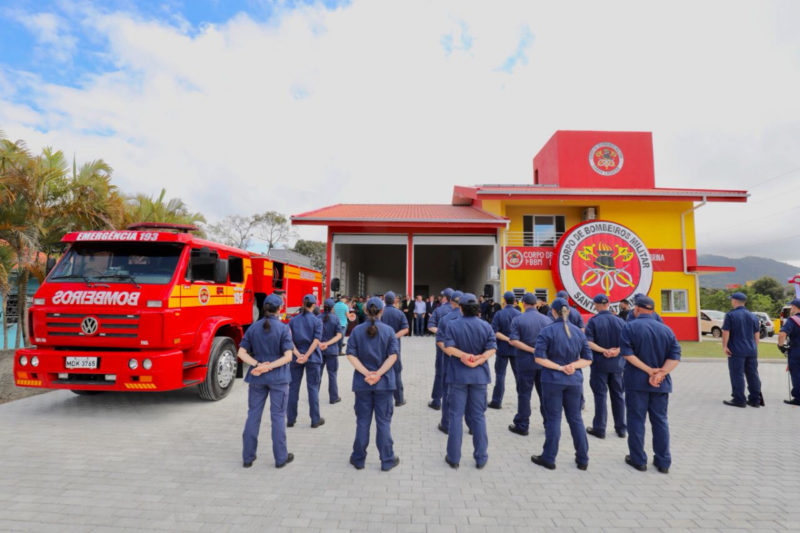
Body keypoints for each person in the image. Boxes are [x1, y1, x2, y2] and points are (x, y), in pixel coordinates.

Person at [620, 295, 680, 474]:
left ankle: (638, 460)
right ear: (652, 310)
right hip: (660, 384)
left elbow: (627, 354)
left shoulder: (630, 327)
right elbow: (675, 356)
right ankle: (663, 462)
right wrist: (661, 372)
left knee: (636, 420)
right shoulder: (666, 330)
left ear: (636, 309)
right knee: (660, 421)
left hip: (636, 382)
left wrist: (649, 371)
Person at [238, 293, 295, 468]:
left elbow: (241, 353)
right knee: (278, 417)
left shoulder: (254, 328)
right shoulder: (284, 329)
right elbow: (288, 357)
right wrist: (269, 366)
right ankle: (280, 458)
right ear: (280, 309)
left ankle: (248, 458)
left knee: (253, 415)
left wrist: (258, 365)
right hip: (278, 378)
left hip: (257, 378)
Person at [442, 293, 497, 469]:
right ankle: (481, 457)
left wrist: (464, 356)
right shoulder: (486, 326)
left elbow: (448, 347)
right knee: (479, 417)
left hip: (458, 375)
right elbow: (492, 347)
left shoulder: (452, 325)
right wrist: (479, 360)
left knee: (456, 416)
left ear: (461, 308)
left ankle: (454, 457)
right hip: (479, 376)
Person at [345, 297, 400, 471]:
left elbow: (350, 355)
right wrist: (378, 374)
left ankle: (359, 458)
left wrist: (366, 373)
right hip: (384, 384)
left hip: (363, 384)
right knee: (383, 422)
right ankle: (387, 459)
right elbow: (393, 356)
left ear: (366, 311)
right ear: (381, 311)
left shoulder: (356, 331)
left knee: (363, 421)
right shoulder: (389, 331)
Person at [508, 292, 553, 436]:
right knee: (544, 394)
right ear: (536, 304)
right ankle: (549, 424)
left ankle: (522, 425)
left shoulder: (518, 319)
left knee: (524, 394)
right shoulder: (547, 320)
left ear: (524, 303)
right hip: (544, 362)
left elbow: (513, 340)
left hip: (525, 362)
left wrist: (531, 349)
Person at [585, 293, 627, 439]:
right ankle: (621, 428)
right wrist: (617, 351)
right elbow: (628, 343)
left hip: (599, 364)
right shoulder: (620, 321)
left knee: (600, 396)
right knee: (618, 396)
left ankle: (600, 428)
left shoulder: (593, 322)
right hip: (617, 365)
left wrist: (604, 351)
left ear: (596, 304)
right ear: (608, 304)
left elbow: (588, 342)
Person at [287, 294, 325, 428]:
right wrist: (307, 355)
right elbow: (316, 341)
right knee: (313, 389)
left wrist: (298, 354)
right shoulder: (317, 321)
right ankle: (315, 420)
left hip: (296, 359)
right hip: (313, 358)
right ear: (314, 305)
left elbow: (289, 340)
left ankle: (290, 419)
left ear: (303, 304)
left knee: (293, 389)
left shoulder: (293, 321)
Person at [721, 292, 763, 408]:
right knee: (753, 374)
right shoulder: (753, 316)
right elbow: (757, 334)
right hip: (751, 350)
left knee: (737, 374)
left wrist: (724, 346)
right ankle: (755, 400)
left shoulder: (730, 315)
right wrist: (754, 347)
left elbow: (726, 331)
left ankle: (739, 400)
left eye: (731, 300)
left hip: (736, 350)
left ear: (734, 301)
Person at [435, 290, 464, 434]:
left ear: (451, 301)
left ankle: (446, 423)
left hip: (449, 361)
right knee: (469, 393)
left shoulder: (445, 319)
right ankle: (471, 425)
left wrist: (451, 353)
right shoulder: (477, 320)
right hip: (468, 364)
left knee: (447, 392)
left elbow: (440, 341)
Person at [488, 291, 522, 409]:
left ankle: (496, 401)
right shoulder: (519, 314)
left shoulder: (499, 314)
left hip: (502, 348)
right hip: (517, 349)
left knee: (500, 375)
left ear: (504, 301)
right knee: (519, 376)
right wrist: (513, 340)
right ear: (514, 301)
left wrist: (507, 339)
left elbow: (494, 331)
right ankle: (522, 400)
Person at [380, 291, 410, 406]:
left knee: (382, 370)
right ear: (394, 301)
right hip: (394, 347)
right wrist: (393, 337)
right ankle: (399, 399)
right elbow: (406, 329)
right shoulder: (399, 313)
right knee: (396, 372)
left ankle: (382, 399)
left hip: (380, 346)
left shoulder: (380, 312)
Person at [427, 288, 454, 410]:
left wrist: (441, 332)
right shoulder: (459, 311)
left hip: (442, 346)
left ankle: (437, 401)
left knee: (440, 373)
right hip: (457, 347)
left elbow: (431, 326)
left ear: (445, 298)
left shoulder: (438, 310)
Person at [319, 298, 343, 405]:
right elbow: (339, 335)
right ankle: (333, 397)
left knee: (317, 375)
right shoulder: (336, 319)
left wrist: (321, 344)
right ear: (333, 308)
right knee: (332, 374)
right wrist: (328, 344)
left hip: (319, 350)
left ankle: (314, 396)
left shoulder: (317, 318)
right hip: (332, 350)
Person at [779, 298, 800, 405]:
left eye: (791, 306)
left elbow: (782, 334)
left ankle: (798, 398)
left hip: (796, 350)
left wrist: (781, 346)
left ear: (795, 307)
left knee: (796, 374)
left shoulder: (793, 320)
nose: (790, 309)